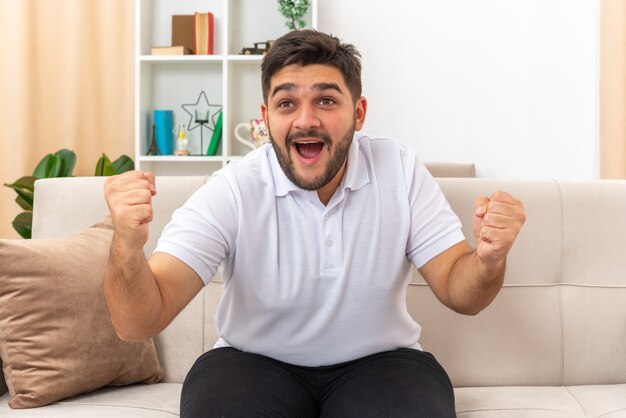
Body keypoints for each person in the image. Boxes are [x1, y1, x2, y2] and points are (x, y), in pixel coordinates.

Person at [103, 29, 526, 418]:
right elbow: (137, 322)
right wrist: (125, 244)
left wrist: (488, 259)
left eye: (326, 100)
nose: (306, 120)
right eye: (287, 103)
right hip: (251, 363)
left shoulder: (399, 168)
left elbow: (460, 290)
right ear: (265, 119)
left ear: (358, 113)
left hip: (383, 362)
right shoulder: (233, 188)